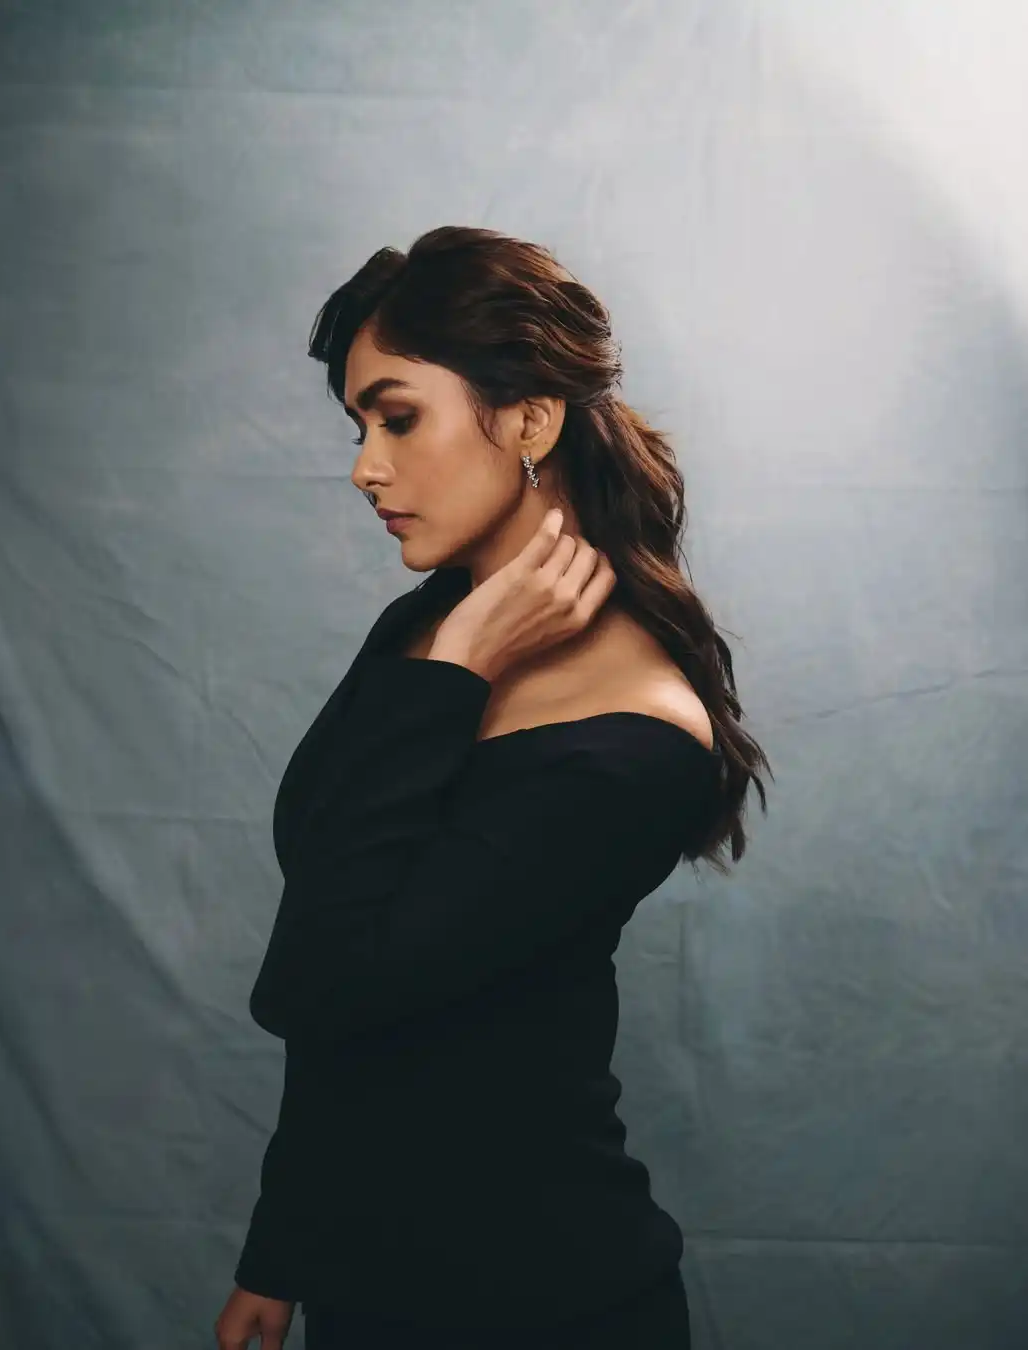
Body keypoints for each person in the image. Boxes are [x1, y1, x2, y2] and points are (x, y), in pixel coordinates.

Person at [214, 226, 772, 1350]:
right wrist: (280, 1252)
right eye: (360, 428)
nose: (365, 468)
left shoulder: (638, 739)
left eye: (398, 418)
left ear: (529, 420)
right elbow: (342, 945)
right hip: (366, 1291)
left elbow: (322, 982)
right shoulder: (425, 630)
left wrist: (460, 668)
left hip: (540, 1304)